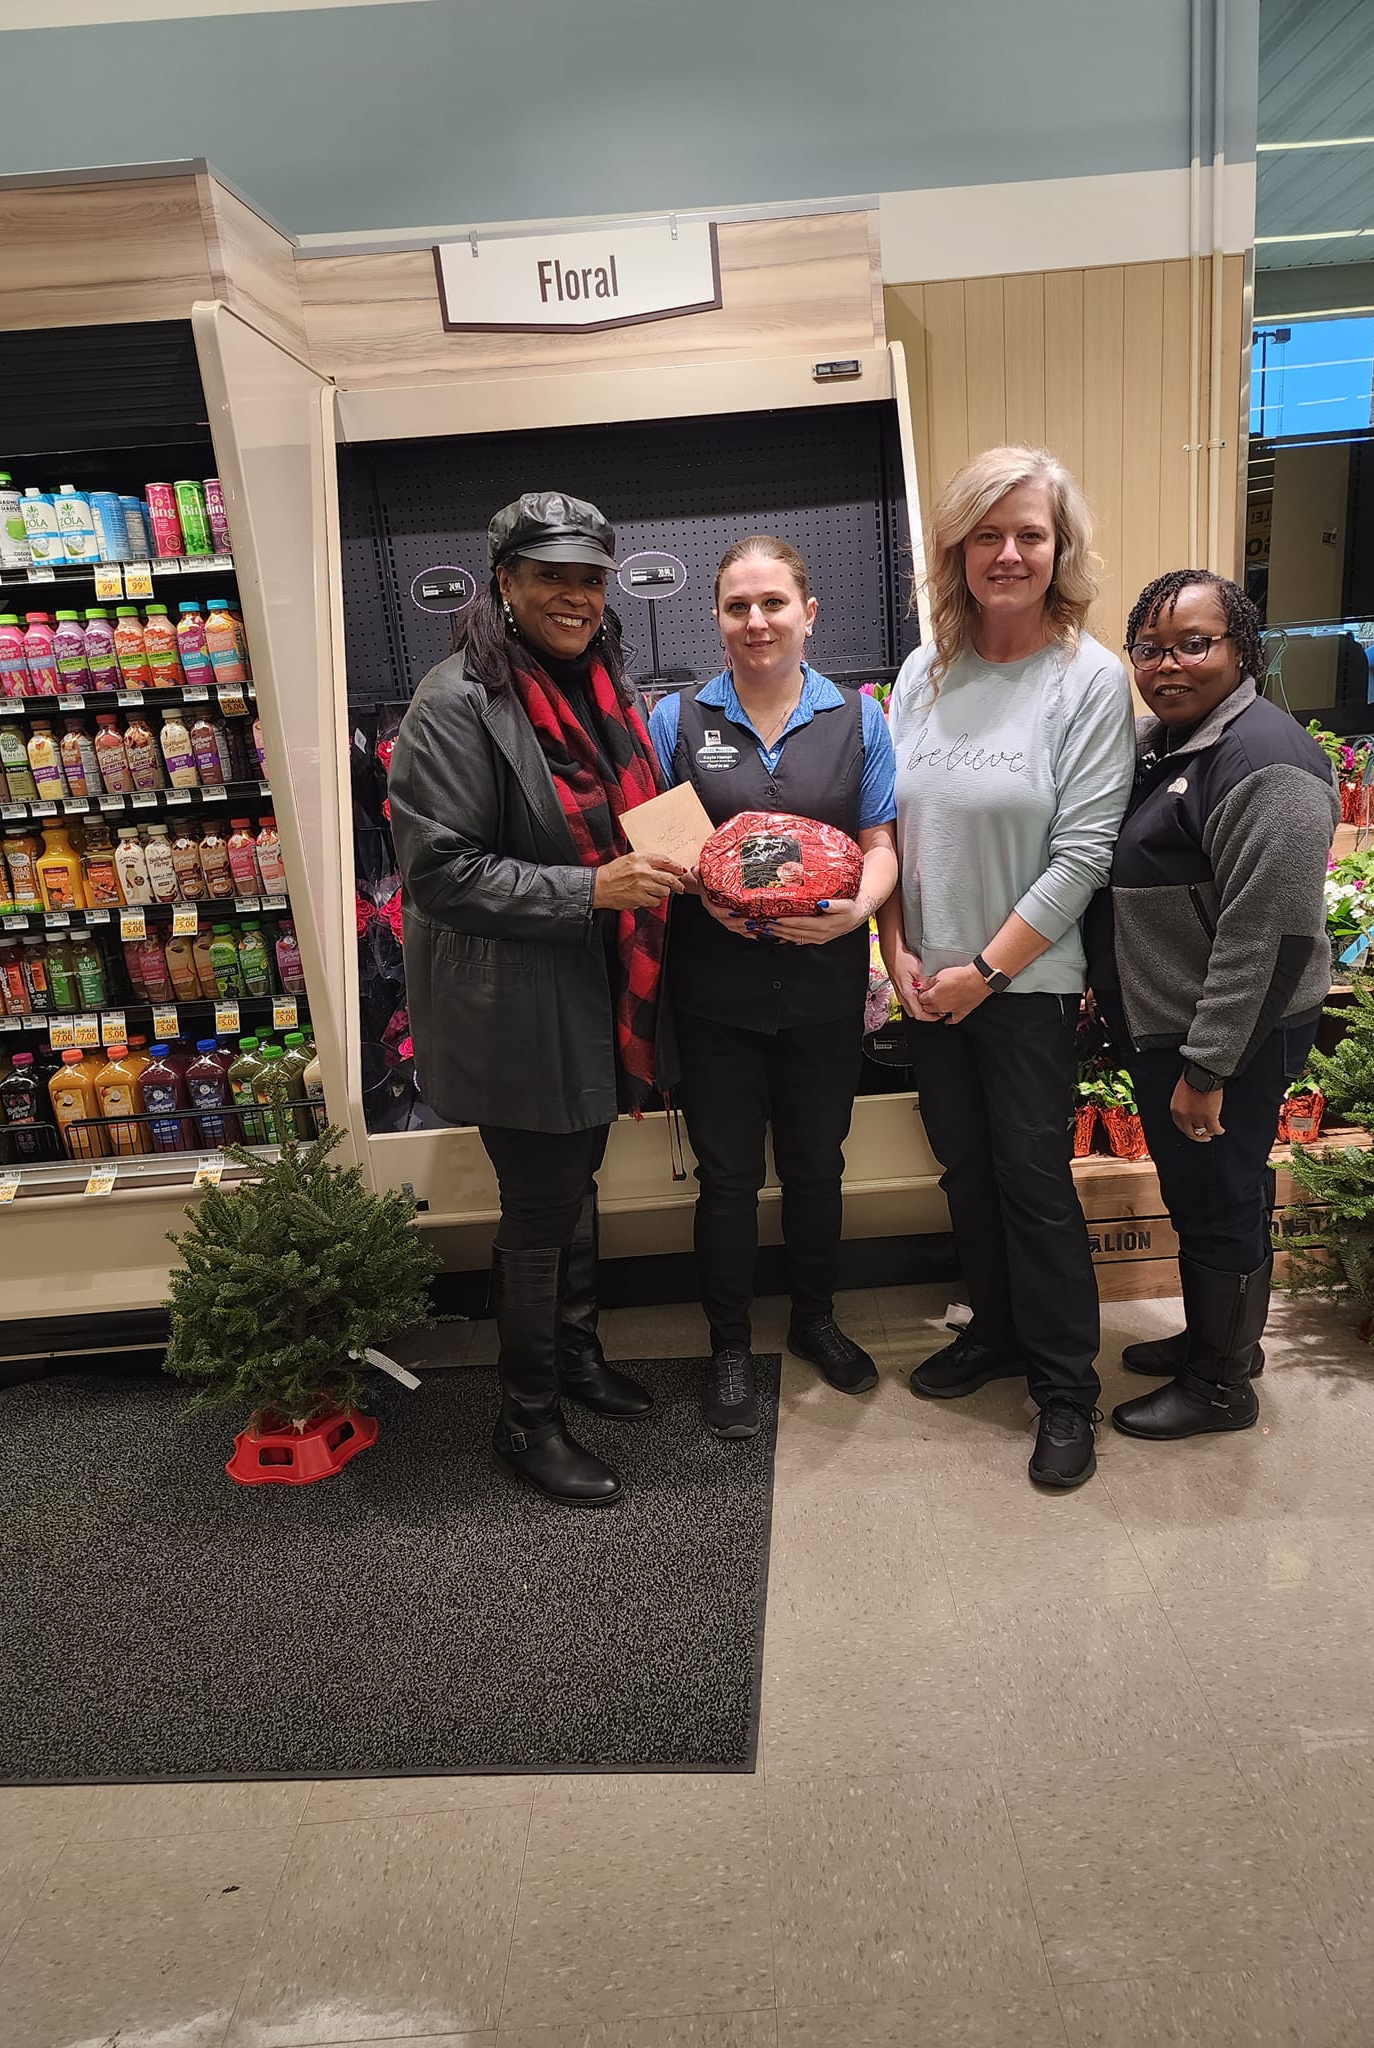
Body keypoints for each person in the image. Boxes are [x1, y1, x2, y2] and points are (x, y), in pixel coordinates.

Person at [389, 491, 685, 1509]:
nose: (574, 593)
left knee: (577, 1176)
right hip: (517, 996)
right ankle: (527, 1414)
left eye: (589, 576)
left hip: (589, 980)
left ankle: (575, 1355)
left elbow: (628, 809)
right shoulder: (454, 700)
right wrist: (595, 888)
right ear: (505, 583)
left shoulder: (601, 678)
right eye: (550, 574)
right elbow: (441, 871)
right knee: (540, 1203)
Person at [878, 446, 1134, 1489]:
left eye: (1029, 532)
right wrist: (892, 945)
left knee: (1034, 1184)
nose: (1009, 552)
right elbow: (884, 824)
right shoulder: (923, 671)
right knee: (967, 1175)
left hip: (1018, 987)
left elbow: (1083, 855)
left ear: (1059, 547)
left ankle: (1067, 1387)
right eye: (987, 533)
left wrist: (982, 968)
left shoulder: (1090, 678)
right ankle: (993, 1332)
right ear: (957, 550)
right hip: (927, 984)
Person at [649, 536, 898, 1440]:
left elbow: (880, 843)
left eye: (772, 604)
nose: (755, 622)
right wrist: (700, 891)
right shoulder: (674, 720)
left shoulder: (860, 719)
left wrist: (857, 913)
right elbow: (661, 842)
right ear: (716, 619)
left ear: (807, 614)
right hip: (714, 995)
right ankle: (726, 1347)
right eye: (736, 607)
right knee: (724, 1179)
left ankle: (815, 1320)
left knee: (816, 1166)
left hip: (824, 987)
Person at [1094, 569, 1338, 1440]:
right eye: (1150, 647)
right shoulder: (1175, 744)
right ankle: (1215, 1342)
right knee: (1208, 1195)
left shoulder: (1265, 761)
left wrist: (1208, 1068)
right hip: (1180, 1022)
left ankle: (1222, 1388)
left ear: (1241, 650)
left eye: (1195, 644)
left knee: (1220, 1198)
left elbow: (1266, 938)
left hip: (1227, 1033)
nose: (1169, 664)